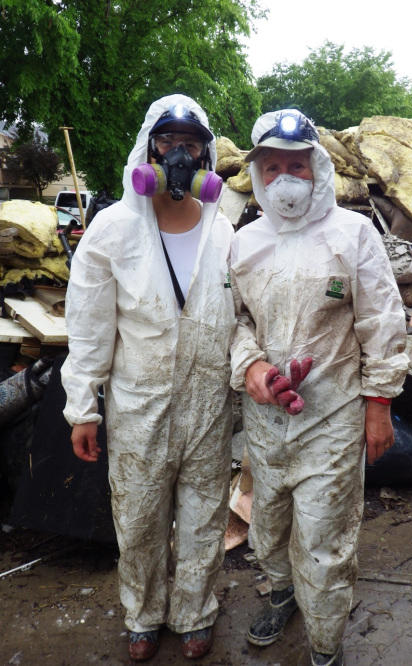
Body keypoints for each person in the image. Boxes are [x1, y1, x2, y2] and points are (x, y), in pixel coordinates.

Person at [229, 109, 409, 666]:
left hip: (332, 417)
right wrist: (253, 368)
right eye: (274, 166)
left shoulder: (351, 234)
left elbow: (382, 320)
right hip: (265, 419)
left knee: (325, 539)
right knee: (270, 523)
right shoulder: (245, 242)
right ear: (258, 175)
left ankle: (325, 647)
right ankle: (283, 593)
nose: (286, 178)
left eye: (297, 166)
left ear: (318, 169)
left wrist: (377, 406)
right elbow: (234, 321)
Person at [61, 94, 236, 662]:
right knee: (136, 519)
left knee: (204, 518)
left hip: (208, 402)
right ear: (148, 147)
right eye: (168, 141)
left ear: (206, 154)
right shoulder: (112, 230)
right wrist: (82, 407)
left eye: (191, 142)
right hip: (138, 405)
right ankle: (142, 615)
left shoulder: (225, 229)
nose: (179, 154)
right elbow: (88, 326)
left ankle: (195, 614)